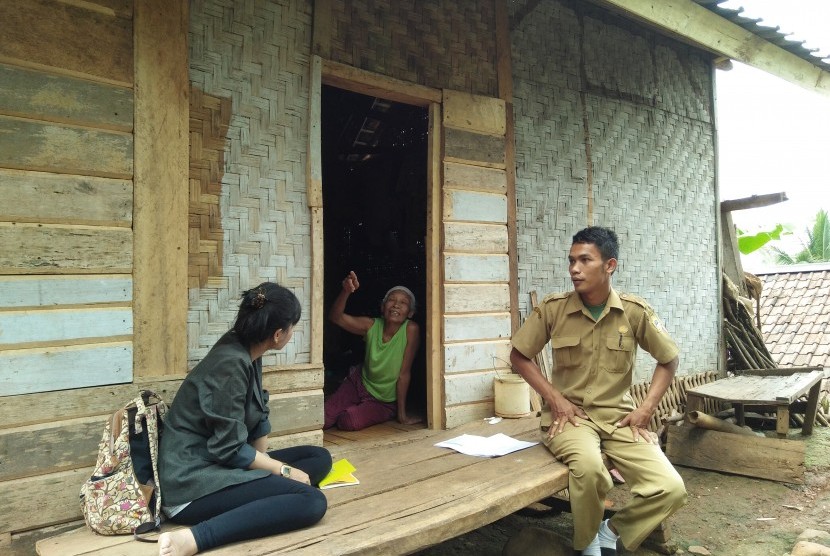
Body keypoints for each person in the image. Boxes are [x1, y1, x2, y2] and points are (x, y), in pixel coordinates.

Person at [509, 227, 687, 556]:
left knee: (671, 488)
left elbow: (669, 360)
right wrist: (555, 400)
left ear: (609, 265)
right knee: (590, 470)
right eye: (571, 261)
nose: (574, 269)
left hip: (620, 420)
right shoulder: (553, 309)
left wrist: (646, 408)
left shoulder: (634, 312)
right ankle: (588, 543)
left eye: (585, 260)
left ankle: (611, 531)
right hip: (570, 420)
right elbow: (519, 355)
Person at [158, 282, 332, 556]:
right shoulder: (230, 363)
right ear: (277, 334)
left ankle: (267, 499)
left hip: (221, 461)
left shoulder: (248, 348)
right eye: (292, 327)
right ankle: (194, 537)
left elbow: (255, 414)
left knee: (319, 458)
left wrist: (266, 470)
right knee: (312, 501)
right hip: (191, 482)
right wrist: (283, 472)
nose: (292, 332)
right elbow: (228, 448)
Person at [324, 271, 421, 430]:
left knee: (348, 421)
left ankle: (352, 408)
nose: (396, 304)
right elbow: (336, 317)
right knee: (323, 419)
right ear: (383, 307)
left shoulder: (411, 330)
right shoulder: (371, 325)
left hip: (383, 400)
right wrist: (346, 291)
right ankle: (339, 405)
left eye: (403, 302)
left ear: (410, 313)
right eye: (391, 300)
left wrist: (401, 415)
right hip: (358, 383)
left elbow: (404, 374)